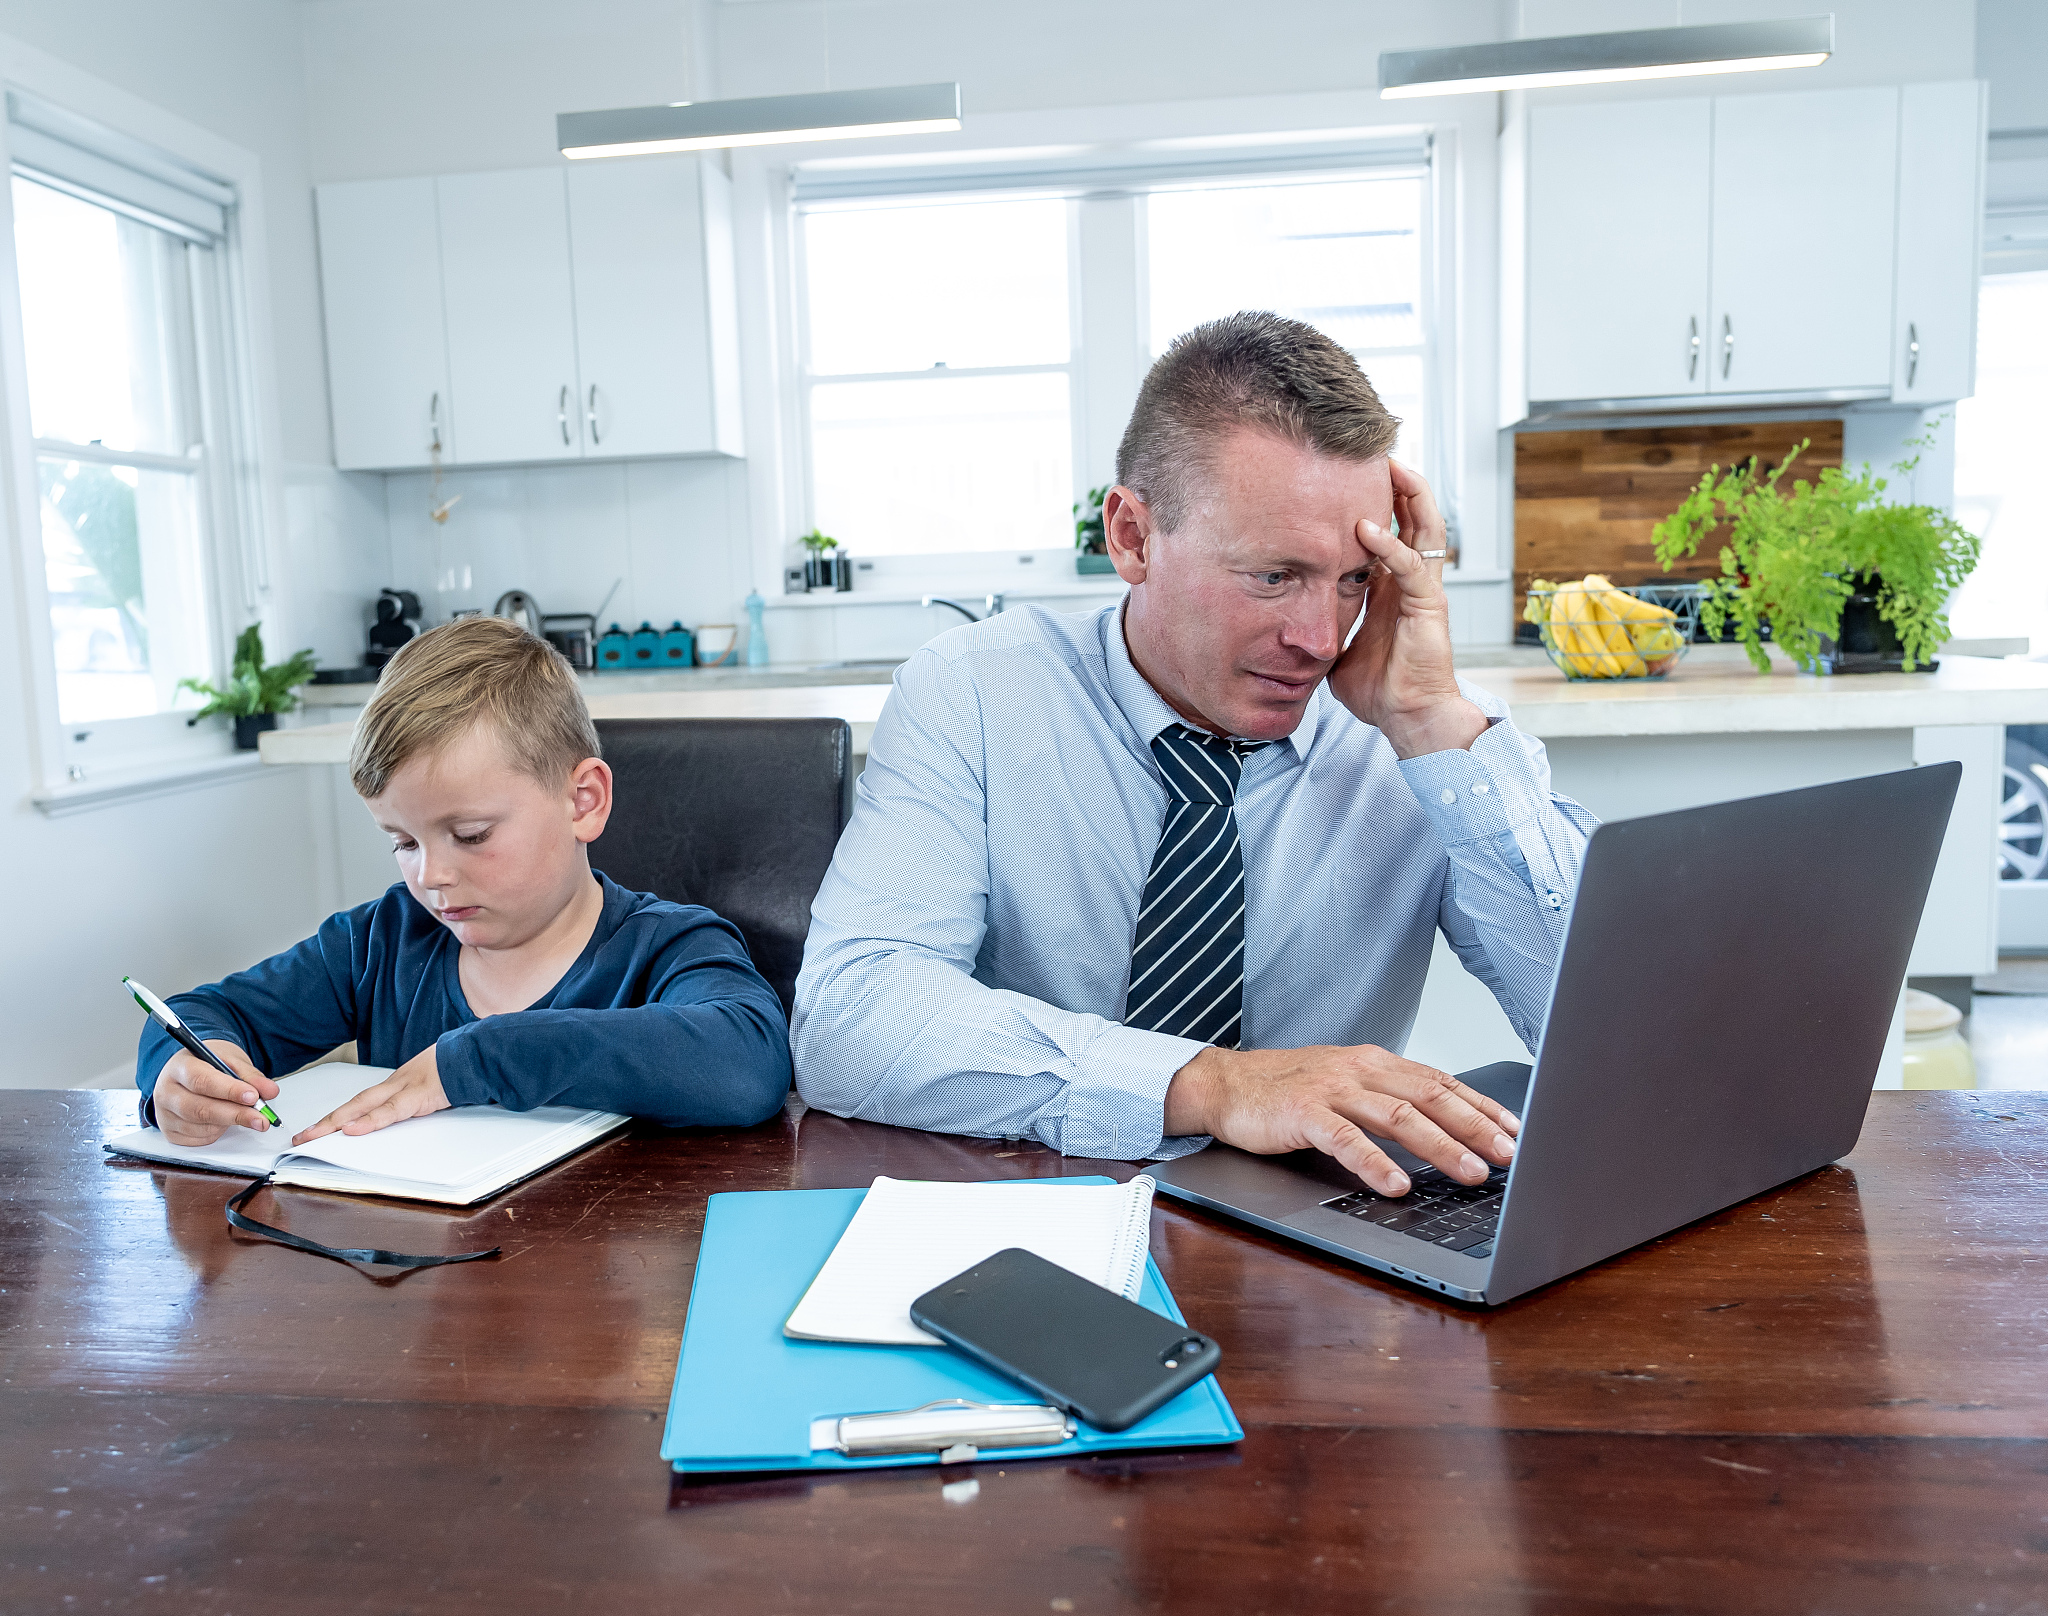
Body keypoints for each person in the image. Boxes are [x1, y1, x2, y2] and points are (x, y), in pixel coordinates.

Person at [794, 311, 1596, 1197]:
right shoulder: (978, 693)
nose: (1321, 638)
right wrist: (1208, 1087)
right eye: (1274, 576)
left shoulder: (1427, 734)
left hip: (1334, 1243)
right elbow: (851, 1016)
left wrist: (1434, 726)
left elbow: (1614, 1044)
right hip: (1028, 1206)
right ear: (1132, 538)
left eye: (1355, 580)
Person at [139, 616, 792, 1146]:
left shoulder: (669, 947)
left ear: (584, 801)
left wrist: (480, 1059)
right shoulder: (377, 944)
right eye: (402, 841)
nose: (432, 874)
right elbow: (200, 1015)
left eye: (472, 834)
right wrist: (182, 1074)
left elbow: (748, 1064)